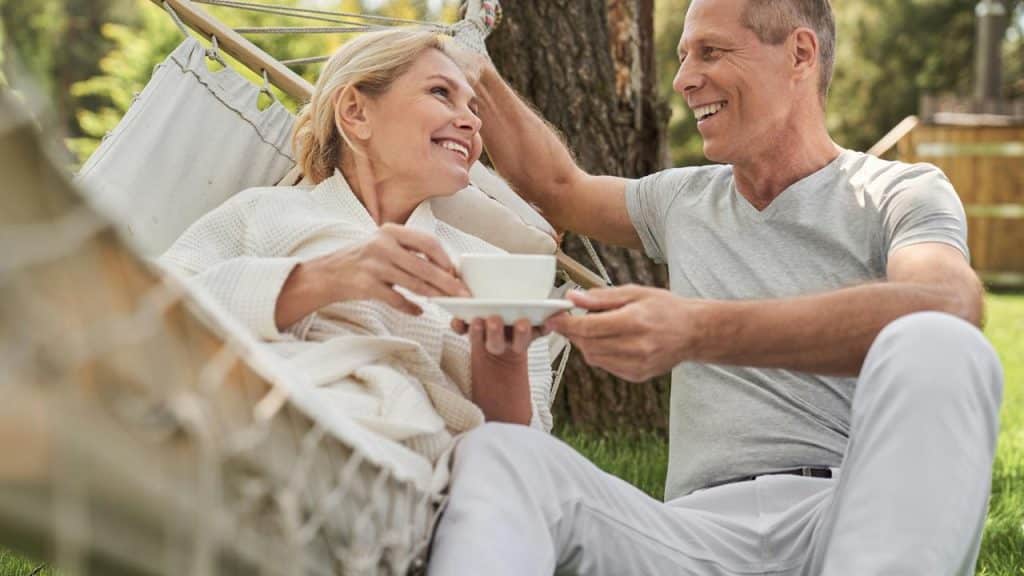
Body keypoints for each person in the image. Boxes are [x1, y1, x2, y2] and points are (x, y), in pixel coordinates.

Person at [428, 0, 1004, 574]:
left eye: (711, 52)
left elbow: (949, 304)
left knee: (943, 344)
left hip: (849, 520)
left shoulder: (896, 193)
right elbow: (557, 185)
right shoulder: (680, 199)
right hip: (694, 536)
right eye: (682, 57)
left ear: (799, 54)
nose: (682, 80)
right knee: (496, 455)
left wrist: (697, 330)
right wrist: (476, 69)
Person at [159, 28, 552, 479]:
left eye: (474, 108)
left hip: (413, 479)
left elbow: (522, 457)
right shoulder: (262, 214)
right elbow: (146, 307)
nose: (471, 121)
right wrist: (323, 279)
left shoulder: (496, 272)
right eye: (441, 93)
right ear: (356, 112)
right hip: (265, 426)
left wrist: (501, 360)